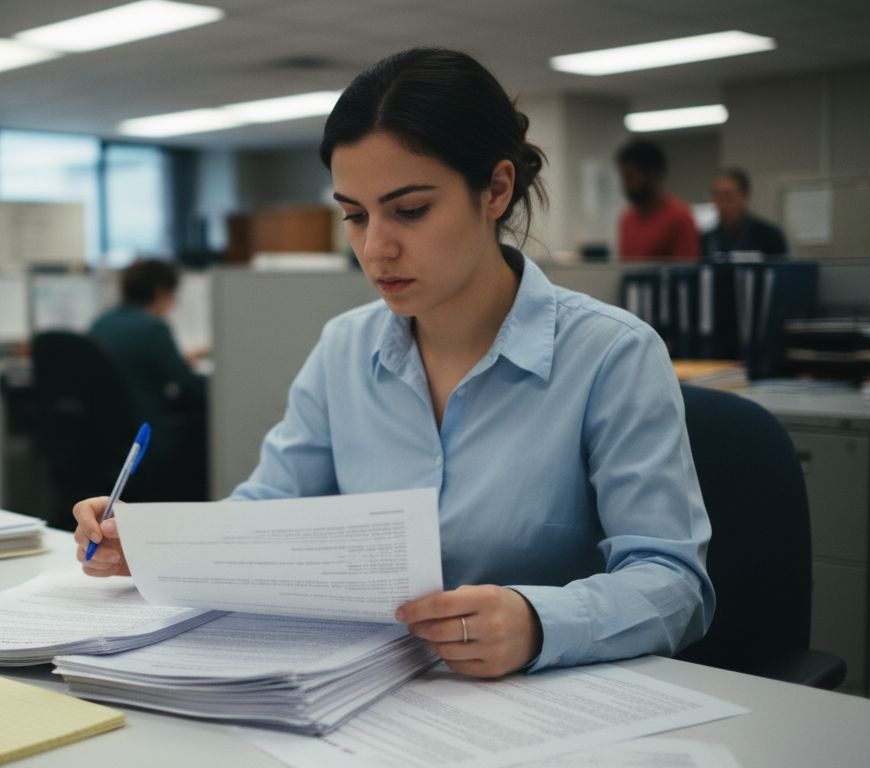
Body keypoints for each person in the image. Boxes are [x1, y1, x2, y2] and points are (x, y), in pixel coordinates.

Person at [74, 48, 713, 679]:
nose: (375, 248)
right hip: (363, 691)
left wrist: (538, 621)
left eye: (409, 210)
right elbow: (263, 514)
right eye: (354, 216)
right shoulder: (343, 350)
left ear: (495, 189)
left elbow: (673, 584)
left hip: (544, 702)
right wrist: (153, 545)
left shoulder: (611, 354)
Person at [88, 259, 208, 499]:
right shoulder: (154, 328)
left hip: (105, 438)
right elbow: (190, 386)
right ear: (161, 293)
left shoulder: (101, 323)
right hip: (146, 437)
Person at [616, 140, 699, 262]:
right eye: (623, 177)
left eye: (630, 176)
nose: (625, 185)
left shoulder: (679, 217)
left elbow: (687, 273)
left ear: (652, 174)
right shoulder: (627, 219)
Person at [701, 167, 788, 259]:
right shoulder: (706, 239)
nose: (722, 204)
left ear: (745, 196)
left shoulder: (769, 236)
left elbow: (782, 272)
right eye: (717, 196)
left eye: (728, 196)